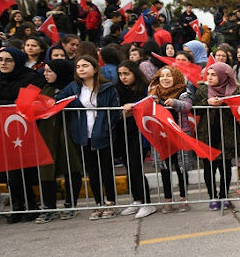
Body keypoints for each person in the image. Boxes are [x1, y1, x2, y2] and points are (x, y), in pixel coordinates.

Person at [0, 47, 46, 222]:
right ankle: (17, 207)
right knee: (12, 172)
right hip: (2, 130)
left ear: (17, 61)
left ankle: (31, 205)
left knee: (26, 169)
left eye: (8, 60)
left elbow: (25, 102)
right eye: (0, 59)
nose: (3, 63)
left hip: (25, 128)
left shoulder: (31, 78)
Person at [55, 55, 121, 220]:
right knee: (92, 171)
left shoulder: (107, 88)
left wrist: (106, 127)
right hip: (83, 135)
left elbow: (114, 111)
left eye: (85, 66)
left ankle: (111, 202)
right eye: (78, 67)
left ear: (95, 68)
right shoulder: (73, 87)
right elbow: (59, 101)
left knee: (106, 169)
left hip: (103, 134)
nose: (81, 69)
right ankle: (99, 203)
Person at [35, 59, 83, 223]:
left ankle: (70, 204)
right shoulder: (44, 88)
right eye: (45, 71)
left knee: (72, 166)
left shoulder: (73, 87)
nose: (45, 74)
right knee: (47, 168)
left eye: (49, 71)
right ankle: (49, 206)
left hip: (67, 132)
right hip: (48, 132)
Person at [148, 66, 194, 213]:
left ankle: (183, 199)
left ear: (176, 77)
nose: (165, 79)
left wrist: (175, 103)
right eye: (162, 76)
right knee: (165, 169)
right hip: (162, 136)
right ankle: (168, 199)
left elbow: (187, 106)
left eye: (169, 76)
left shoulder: (183, 92)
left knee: (181, 168)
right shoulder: (154, 94)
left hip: (178, 135)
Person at [117, 60, 156, 218]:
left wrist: (133, 106)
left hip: (140, 133)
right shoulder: (118, 89)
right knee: (129, 167)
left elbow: (147, 106)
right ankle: (137, 200)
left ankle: (147, 202)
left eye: (126, 74)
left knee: (136, 167)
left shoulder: (144, 89)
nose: (123, 77)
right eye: (120, 74)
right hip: (123, 132)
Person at [199, 62, 238, 209]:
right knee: (209, 167)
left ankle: (224, 196)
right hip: (207, 134)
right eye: (208, 74)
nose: (209, 77)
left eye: (213, 74)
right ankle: (212, 197)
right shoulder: (203, 90)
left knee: (225, 167)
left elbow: (237, 110)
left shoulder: (234, 90)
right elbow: (193, 107)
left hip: (226, 134)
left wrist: (224, 103)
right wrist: (207, 102)